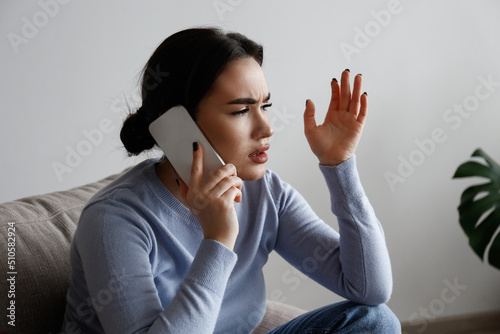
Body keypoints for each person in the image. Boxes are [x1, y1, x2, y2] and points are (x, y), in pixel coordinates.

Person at [61, 27, 400, 333]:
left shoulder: (266, 193)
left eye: (265, 106)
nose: (267, 128)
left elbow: (370, 288)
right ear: (176, 125)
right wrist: (219, 240)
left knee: (375, 322)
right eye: (240, 111)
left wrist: (339, 166)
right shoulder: (114, 220)